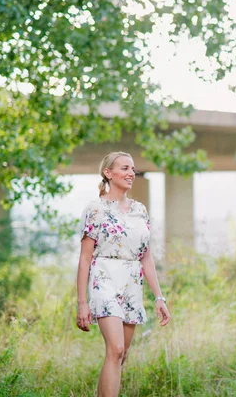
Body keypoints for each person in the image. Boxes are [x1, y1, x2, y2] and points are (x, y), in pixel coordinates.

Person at [76, 151, 171, 397]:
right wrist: (82, 303)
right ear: (108, 173)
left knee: (122, 354)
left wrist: (159, 297)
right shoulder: (95, 208)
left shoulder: (140, 210)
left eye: (133, 169)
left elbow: (146, 257)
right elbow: (85, 257)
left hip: (132, 282)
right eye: (125, 168)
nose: (132, 173)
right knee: (115, 349)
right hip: (104, 278)